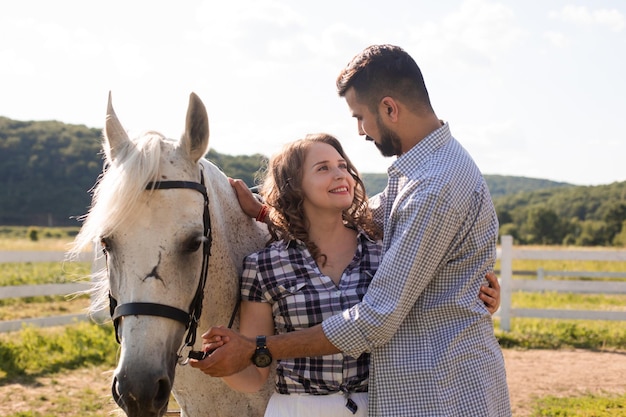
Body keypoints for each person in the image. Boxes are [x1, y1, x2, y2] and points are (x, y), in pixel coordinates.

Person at [193, 44, 511, 416]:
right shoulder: (419, 175)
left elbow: (374, 320)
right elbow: (360, 219)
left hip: (440, 392)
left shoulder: (433, 188)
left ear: (390, 109)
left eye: (361, 116)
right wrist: (266, 212)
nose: (360, 131)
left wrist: (257, 348)